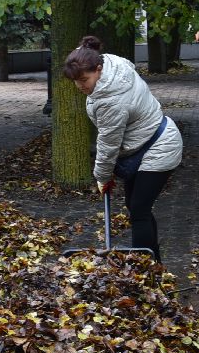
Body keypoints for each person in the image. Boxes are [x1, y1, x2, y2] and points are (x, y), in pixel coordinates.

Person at [62, 35, 183, 261]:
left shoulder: (111, 101)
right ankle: (153, 262)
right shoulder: (110, 64)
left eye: (84, 80)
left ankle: (143, 268)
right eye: (76, 82)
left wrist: (102, 177)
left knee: (139, 210)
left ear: (98, 69)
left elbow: (108, 143)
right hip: (142, 146)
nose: (80, 86)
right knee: (136, 206)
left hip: (160, 147)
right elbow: (83, 52)